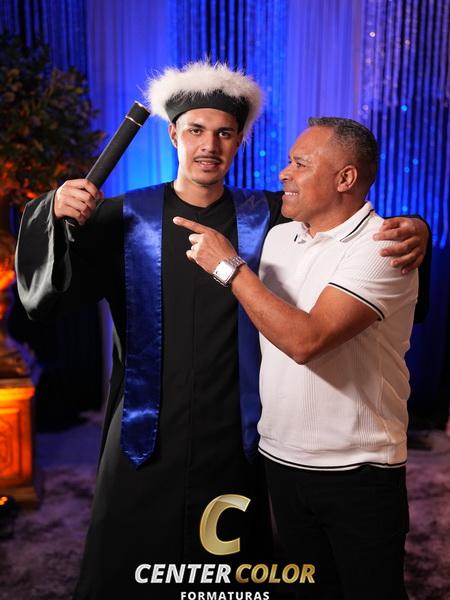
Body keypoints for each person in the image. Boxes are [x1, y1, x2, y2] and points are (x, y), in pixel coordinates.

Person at [15, 62, 427, 599]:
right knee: (129, 568)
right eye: (196, 130)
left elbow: (348, 224)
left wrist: (414, 227)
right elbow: (46, 298)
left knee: (228, 573)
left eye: (225, 133)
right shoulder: (123, 217)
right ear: (173, 134)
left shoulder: (271, 217)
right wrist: (51, 210)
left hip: (234, 430)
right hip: (145, 427)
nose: (209, 146)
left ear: (238, 141)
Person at [174, 117, 420, 599]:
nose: (283, 173)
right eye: (289, 161)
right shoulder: (280, 235)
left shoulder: (384, 246)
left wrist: (228, 267)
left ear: (345, 178)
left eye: (300, 163)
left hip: (359, 469)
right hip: (281, 459)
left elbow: (307, 341)